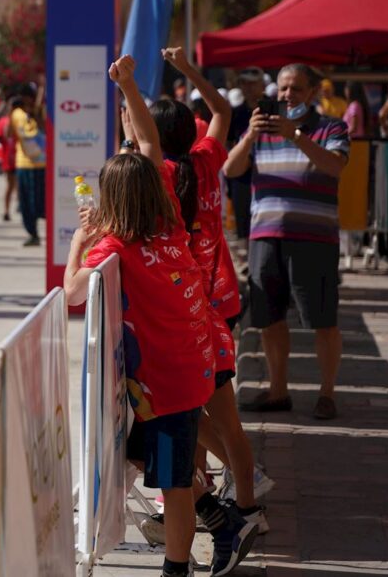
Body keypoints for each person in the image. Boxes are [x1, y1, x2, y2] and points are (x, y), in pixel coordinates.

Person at [66, 55, 255, 577]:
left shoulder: (115, 247)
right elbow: (149, 145)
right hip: (190, 370)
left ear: (113, 201)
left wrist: (80, 241)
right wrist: (127, 87)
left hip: (168, 385)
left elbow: (72, 295)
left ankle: (177, 567)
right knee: (143, 457)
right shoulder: (168, 221)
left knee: (172, 485)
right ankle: (222, 518)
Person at [156, 47, 266, 536]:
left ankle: (228, 494)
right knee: (217, 414)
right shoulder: (206, 159)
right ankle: (222, 495)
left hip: (190, 309)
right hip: (223, 298)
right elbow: (222, 110)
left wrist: (129, 93)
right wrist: (188, 70)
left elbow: (142, 137)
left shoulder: (158, 177)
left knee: (196, 413)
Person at [224, 63, 350, 421]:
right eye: (282, 88)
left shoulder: (332, 127)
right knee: (268, 318)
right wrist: (249, 136)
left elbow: (335, 166)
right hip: (266, 237)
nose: (287, 95)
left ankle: (327, 393)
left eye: (295, 88)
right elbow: (231, 170)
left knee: (323, 319)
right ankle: (278, 391)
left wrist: (296, 135)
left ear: (312, 93)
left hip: (314, 238)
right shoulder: (260, 129)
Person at [226, 67, 264, 243]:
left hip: (267, 172)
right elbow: (229, 143)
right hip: (242, 175)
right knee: (245, 224)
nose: (248, 88)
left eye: (252, 84)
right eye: (244, 83)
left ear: (261, 85)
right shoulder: (236, 113)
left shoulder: (271, 109)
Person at [8, 84, 46, 246]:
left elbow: (47, 129)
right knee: (29, 202)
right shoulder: (18, 114)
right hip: (28, 164)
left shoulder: (36, 112)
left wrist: (35, 114)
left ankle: (40, 233)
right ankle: (33, 233)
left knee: (36, 202)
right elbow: (8, 134)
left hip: (36, 164)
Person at [0, 98, 19, 222]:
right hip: (9, 158)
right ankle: (6, 211)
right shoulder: (3, 122)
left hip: (21, 158)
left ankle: (19, 207)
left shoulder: (22, 121)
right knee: (10, 185)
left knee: (17, 186)